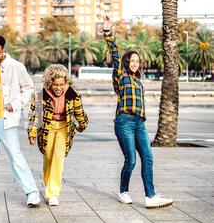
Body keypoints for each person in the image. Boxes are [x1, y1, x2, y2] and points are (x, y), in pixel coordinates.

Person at [103, 16, 173, 209]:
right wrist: (108, 32)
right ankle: (123, 191)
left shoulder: (139, 81)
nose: (135, 63)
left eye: (137, 61)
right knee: (131, 160)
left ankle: (150, 197)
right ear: (126, 62)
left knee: (148, 158)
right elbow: (114, 53)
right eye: (132, 60)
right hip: (124, 122)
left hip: (139, 123)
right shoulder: (121, 75)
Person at [0, 34, 41, 207]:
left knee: (15, 156)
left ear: (3, 49)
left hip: (7, 120)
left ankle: (32, 193)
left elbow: (29, 87)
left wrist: (16, 103)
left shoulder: (16, 66)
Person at [28, 64, 88, 206]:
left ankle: (53, 193)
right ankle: (49, 184)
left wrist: (82, 125)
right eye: (55, 84)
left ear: (66, 82)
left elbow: (79, 112)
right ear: (49, 83)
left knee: (58, 158)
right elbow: (35, 115)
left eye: (62, 84)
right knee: (48, 157)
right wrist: (32, 131)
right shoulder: (41, 96)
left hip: (64, 128)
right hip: (47, 128)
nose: (59, 88)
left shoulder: (73, 95)